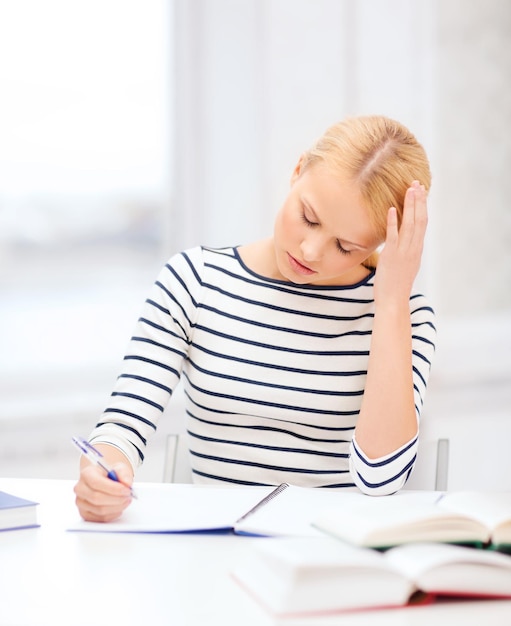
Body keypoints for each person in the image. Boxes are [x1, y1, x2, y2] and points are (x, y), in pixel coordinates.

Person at [74, 114, 436, 522]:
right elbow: (124, 424)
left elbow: (381, 478)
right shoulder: (195, 281)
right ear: (298, 171)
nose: (312, 251)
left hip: (333, 560)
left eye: (347, 246)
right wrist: (102, 472)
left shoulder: (406, 314)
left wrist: (390, 303)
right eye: (309, 218)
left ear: (382, 242)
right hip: (216, 555)